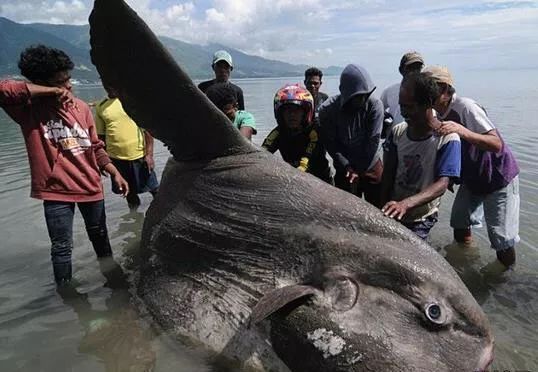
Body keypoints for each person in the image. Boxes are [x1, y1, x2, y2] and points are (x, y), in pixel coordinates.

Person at [0, 45, 129, 284]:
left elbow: (95, 147)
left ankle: (116, 286)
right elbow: (4, 90)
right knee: (61, 249)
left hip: (91, 187)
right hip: (56, 192)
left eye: (68, 79)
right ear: (44, 83)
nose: (68, 86)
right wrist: (49, 92)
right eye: (60, 82)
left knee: (102, 241)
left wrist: (113, 171)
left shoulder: (81, 108)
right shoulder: (29, 110)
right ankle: (68, 298)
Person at [424, 66, 520, 267]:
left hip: (498, 176)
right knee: (459, 224)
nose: (426, 94)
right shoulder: (434, 113)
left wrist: (462, 130)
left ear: (445, 89)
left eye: (430, 89)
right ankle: (467, 261)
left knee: (501, 241)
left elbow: (496, 143)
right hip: (472, 178)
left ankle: (506, 279)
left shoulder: (466, 106)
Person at [380, 72, 461, 240]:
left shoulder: (447, 139)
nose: (403, 112)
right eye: (401, 106)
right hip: (395, 208)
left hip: (421, 216)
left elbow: (442, 184)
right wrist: (382, 206)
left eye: (409, 107)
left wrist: (406, 204)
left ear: (428, 104)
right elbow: (388, 173)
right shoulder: (398, 132)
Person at [319, 64, 384, 207]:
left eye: (366, 95)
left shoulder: (375, 105)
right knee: (344, 211)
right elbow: (331, 144)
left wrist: (359, 170)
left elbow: (373, 142)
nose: (363, 101)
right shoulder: (327, 110)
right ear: (347, 95)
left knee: (379, 209)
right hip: (344, 166)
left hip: (370, 164)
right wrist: (347, 166)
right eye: (358, 97)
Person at [95, 85, 160, 209]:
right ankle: (134, 220)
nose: (110, 87)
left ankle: (162, 214)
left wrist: (149, 155)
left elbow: (147, 130)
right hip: (117, 159)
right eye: (106, 84)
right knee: (129, 193)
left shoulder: (131, 101)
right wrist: (102, 162)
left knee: (155, 189)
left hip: (139, 155)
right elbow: (101, 137)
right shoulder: (101, 106)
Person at [262, 84, 331, 183]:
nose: (292, 115)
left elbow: (305, 162)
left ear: (305, 112)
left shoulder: (314, 131)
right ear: (281, 113)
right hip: (295, 180)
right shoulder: (278, 132)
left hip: (321, 180)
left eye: (297, 110)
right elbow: (262, 152)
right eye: (287, 111)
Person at [380, 51, 424, 138]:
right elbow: (378, 110)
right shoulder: (390, 91)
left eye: (418, 68)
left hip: (419, 141)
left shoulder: (427, 92)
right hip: (394, 140)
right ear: (401, 70)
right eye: (410, 68)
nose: (414, 71)